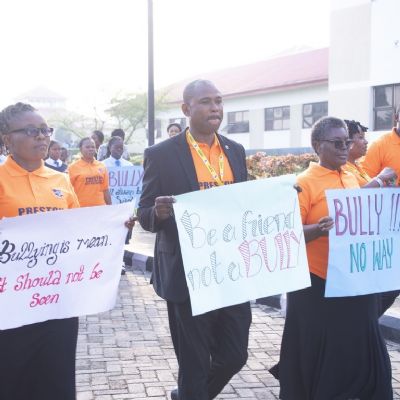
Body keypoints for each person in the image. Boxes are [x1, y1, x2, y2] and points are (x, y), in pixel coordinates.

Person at [138, 79, 251, 400]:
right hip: (187, 275)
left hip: (229, 271)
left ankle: (187, 395)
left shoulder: (235, 150)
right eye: (205, 102)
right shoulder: (161, 155)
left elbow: (244, 204)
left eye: (218, 100)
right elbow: (144, 213)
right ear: (186, 109)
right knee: (194, 363)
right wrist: (158, 212)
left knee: (235, 355)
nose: (215, 108)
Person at [273, 116, 392, 399]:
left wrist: (380, 190)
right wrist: (317, 229)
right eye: (337, 143)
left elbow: (360, 210)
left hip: (355, 283)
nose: (345, 148)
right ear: (317, 145)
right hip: (318, 287)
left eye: (347, 142)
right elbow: (286, 233)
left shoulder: (350, 176)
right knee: (325, 359)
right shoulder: (303, 184)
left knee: (367, 355)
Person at [0, 102, 80, 400]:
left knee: (56, 381)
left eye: (46, 130)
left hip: (58, 304)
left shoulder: (61, 179)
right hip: (10, 307)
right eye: (32, 131)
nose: (42, 137)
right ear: (7, 139)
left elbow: (79, 231)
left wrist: (113, 228)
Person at [361, 108, 400, 312]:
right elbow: (363, 183)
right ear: (396, 118)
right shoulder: (380, 145)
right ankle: (366, 323)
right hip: (385, 228)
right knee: (389, 286)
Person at [343, 119, 396, 187]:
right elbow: (355, 193)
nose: (366, 142)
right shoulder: (342, 168)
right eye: (361, 137)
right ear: (348, 142)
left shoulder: (357, 167)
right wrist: (380, 178)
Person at [68, 137, 111, 207]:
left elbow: (105, 190)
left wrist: (110, 207)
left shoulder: (102, 166)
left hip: (100, 208)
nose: (91, 149)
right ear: (81, 149)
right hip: (81, 208)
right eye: (87, 147)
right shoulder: (72, 168)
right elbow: (68, 191)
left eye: (93, 147)